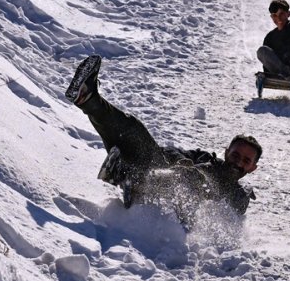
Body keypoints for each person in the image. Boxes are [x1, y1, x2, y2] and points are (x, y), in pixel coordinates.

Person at [64, 55, 262, 220]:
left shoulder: (239, 195)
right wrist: (178, 161)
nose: (238, 163)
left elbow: (225, 212)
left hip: (174, 213)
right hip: (156, 172)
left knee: (191, 178)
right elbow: (171, 153)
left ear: (252, 168)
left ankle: (130, 177)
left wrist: (190, 173)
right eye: (236, 155)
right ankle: (87, 98)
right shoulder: (204, 158)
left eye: (246, 161)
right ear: (226, 152)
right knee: (133, 130)